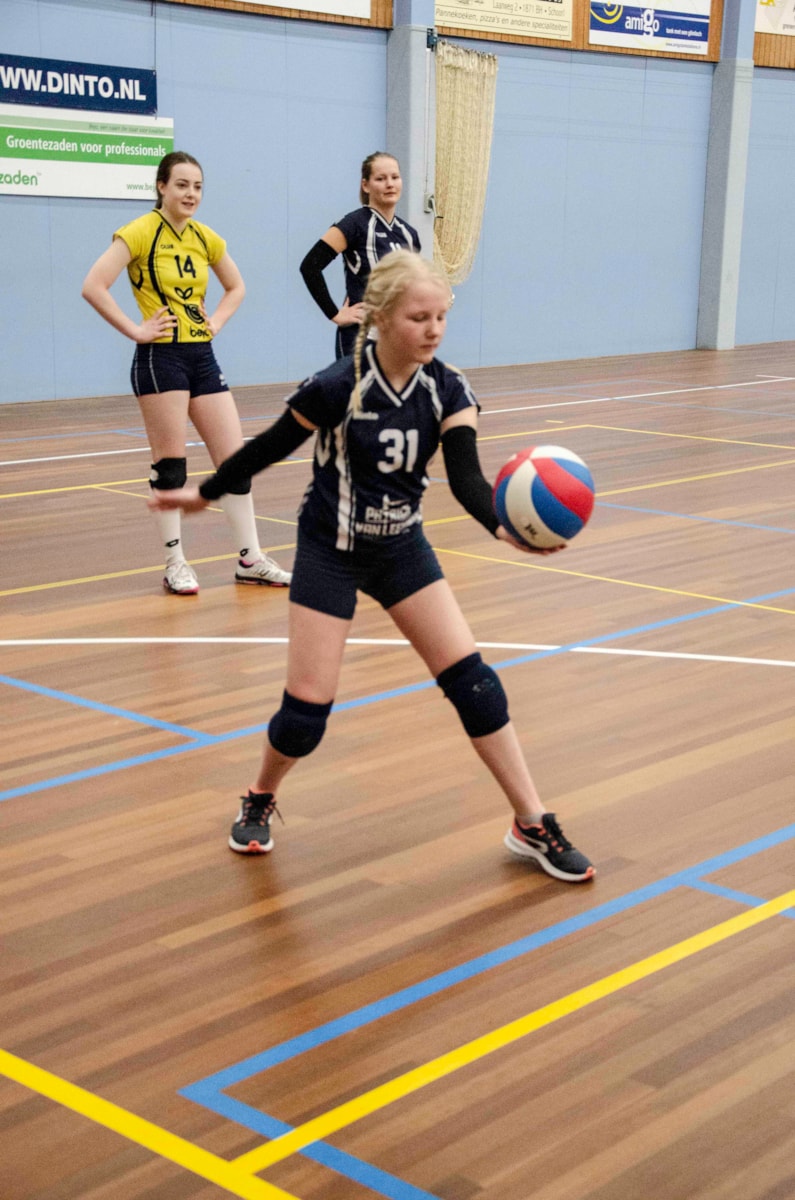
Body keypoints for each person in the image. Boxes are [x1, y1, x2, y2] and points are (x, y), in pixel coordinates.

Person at [149, 252, 595, 884]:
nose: (434, 329)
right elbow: (270, 446)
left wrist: (502, 527)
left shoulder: (448, 388)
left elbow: (466, 476)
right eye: (419, 317)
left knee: (476, 686)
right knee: (305, 717)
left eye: (441, 316)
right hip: (329, 549)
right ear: (380, 317)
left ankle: (531, 820)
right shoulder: (338, 385)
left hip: (401, 550)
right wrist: (206, 492)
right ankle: (260, 794)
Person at [81, 150, 291, 595]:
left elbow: (236, 286)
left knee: (235, 462)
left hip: (202, 355)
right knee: (171, 467)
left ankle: (250, 559)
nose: (190, 193)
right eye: (181, 184)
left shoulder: (204, 236)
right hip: (161, 358)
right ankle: (175, 562)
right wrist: (137, 330)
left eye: (197, 186)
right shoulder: (140, 231)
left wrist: (216, 321)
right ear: (162, 186)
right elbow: (93, 286)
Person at [300, 151, 421, 360]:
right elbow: (310, 266)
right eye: (380, 179)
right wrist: (335, 314)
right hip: (360, 337)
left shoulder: (409, 234)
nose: (390, 184)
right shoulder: (354, 224)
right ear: (366, 185)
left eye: (395, 177)